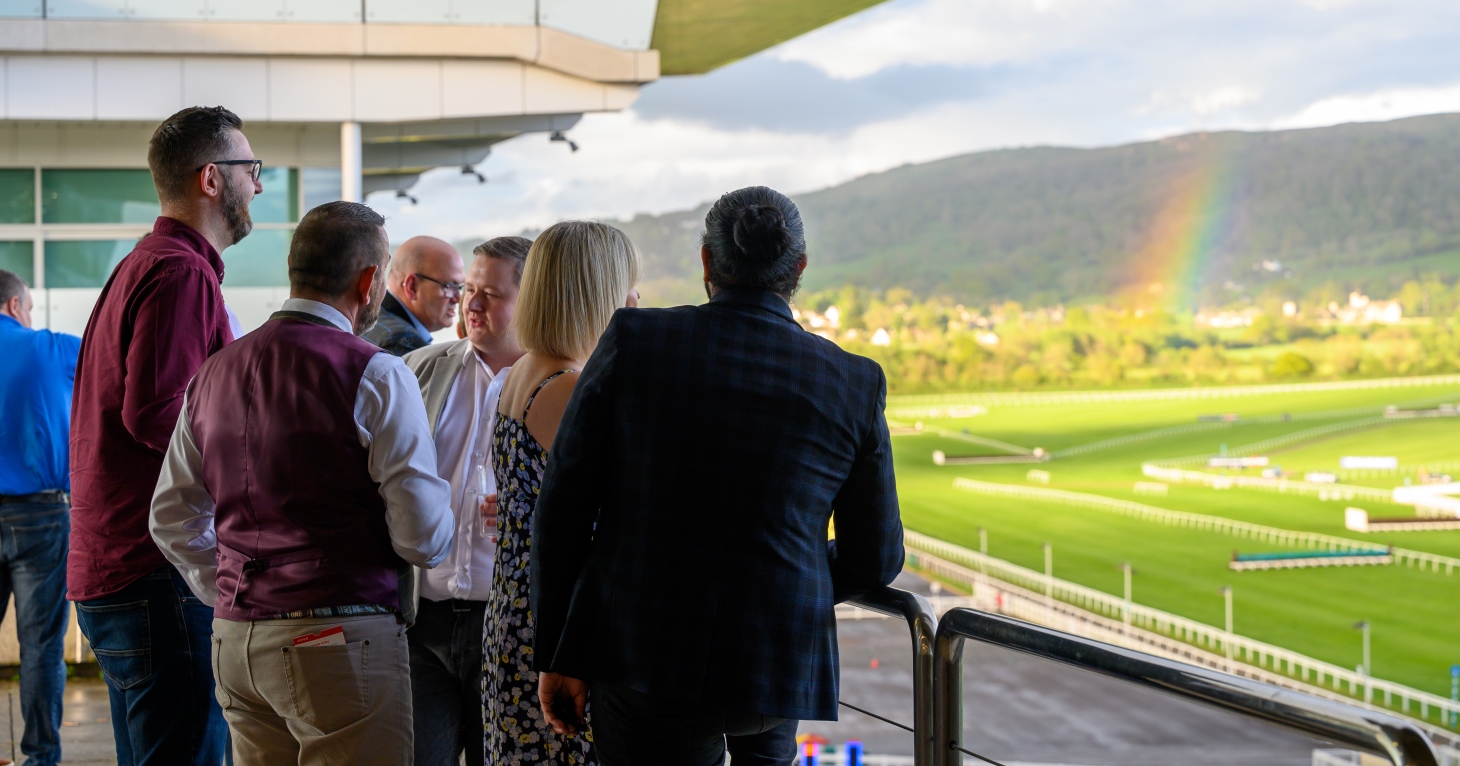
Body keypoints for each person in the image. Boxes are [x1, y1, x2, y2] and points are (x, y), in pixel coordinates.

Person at [530, 187, 904, 766]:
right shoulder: (853, 380)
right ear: (798, 268)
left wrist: (557, 651)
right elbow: (876, 557)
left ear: (707, 261)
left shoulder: (635, 341)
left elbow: (562, 512)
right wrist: (782, 589)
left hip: (642, 656)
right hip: (776, 666)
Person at [150, 201, 455, 765]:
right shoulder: (377, 371)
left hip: (236, 640)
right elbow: (422, 538)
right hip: (338, 638)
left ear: (295, 266)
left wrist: (225, 585)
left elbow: (170, 517)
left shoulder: (211, 373)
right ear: (369, 282)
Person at [69, 105, 259, 766]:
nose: (257, 185)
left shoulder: (148, 265)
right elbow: (159, 413)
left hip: (123, 570)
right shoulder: (180, 273)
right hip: (157, 575)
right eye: (250, 169)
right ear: (213, 178)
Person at [483, 221, 638, 766]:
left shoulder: (526, 369)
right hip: (558, 629)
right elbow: (627, 503)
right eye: (627, 287)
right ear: (598, 294)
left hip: (518, 610)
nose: (636, 300)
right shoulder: (568, 386)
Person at [400, 236, 530, 766]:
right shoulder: (417, 369)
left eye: (491, 295)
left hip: (508, 630)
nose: (470, 305)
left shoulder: (563, 382)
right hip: (420, 621)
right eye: (468, 289)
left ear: (531, 300)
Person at [0, 271, 80, 766]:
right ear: (14, 305)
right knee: (42, 648)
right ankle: (40, 759)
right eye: (28, 309)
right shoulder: (51, 348)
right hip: (42, 517)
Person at [362, 235, 465, 355]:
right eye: (450, 286)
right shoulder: (404, 341)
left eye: (460, 286)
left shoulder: (366, 318)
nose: (458, 298)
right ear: (412, 287)